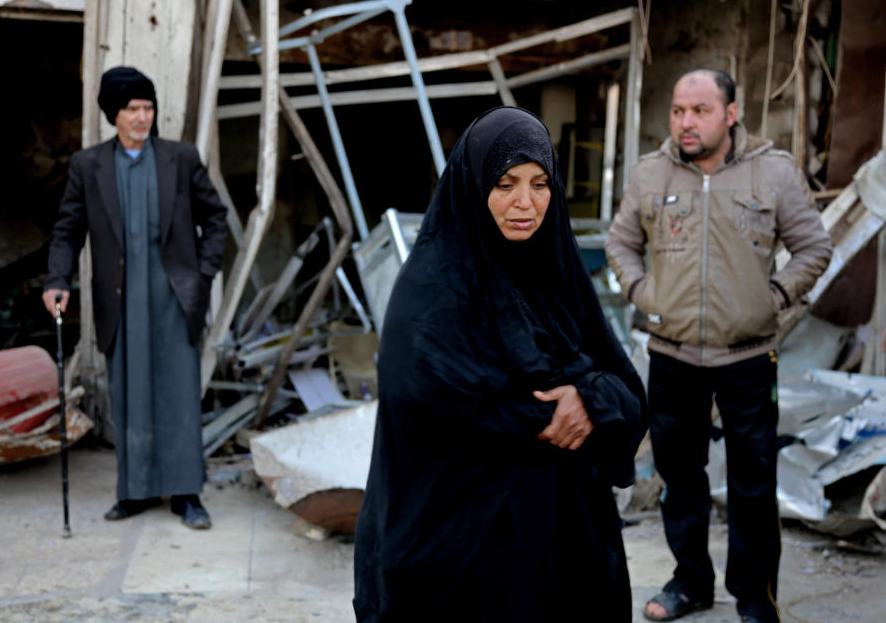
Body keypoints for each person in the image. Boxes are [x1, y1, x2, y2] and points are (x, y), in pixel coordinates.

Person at [353, 106, 648, 622]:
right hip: (463, 554)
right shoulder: (428, 295)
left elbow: (626, 387)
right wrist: (566, 407)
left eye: (539, 184)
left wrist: (589, 399)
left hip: (563, 548)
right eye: (506, 183)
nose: (525, 204)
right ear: (474, 185)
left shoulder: (558, 276)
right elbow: (446, 405)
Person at [606, 68, 832, 623]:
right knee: (681, 481)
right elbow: (620, 242)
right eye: (679, 111)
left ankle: (756, 600)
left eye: (700, 110)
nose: (686, 121)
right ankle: (691, 582)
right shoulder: (650, 174)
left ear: (730, 114)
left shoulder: (773, 174)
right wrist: (643, 290)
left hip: (749, 357)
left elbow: (813, 248)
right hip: (672, 355)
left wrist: (773, 295)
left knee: (754, 485)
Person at [43, 66, 227, 530]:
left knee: (179, 396)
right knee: (130, 395)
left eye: (148, 108)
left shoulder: (180, 159)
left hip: (174, 297)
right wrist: (56, 280)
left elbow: (216, 217)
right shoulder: (89, 166)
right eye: (132, 109)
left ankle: (186, 495)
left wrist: (203, 274)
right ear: (114, 115)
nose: (142, 117)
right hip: (121, 300)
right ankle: (135, 491)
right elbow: (68, 230)